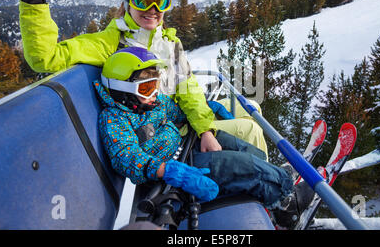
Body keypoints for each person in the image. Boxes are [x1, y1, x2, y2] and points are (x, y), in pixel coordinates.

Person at [19, 0, 267, 156]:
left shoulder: (170, 43)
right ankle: (274, 202)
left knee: (252, 106)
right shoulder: (110, 42)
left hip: (180, 115)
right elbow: (45, 58)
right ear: (128, 4)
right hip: (162, 132)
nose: (153, 9)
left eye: (161, 1)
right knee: (251, 129)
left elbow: (187, 88)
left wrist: (204, 126)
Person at [95, 46, 295, 209]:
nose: (155, 92)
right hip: (177, 168)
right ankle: (286, 201)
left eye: (155, 84)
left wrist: (210, 110)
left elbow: (179, 112)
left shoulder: (154, 102)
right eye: (147, 87)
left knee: (249, 151)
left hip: (188, 144)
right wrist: (166, 170)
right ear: (123, 91)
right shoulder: (114, 118)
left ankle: (274, 177)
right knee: (247, 167)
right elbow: (126, 157)